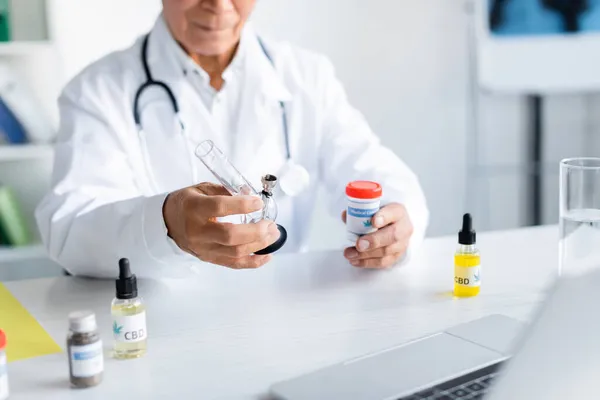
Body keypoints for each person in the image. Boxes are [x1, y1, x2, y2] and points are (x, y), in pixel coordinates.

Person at [35, 0, 429, 278]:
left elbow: (374, 170)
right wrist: (165, 223)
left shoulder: (307, 76)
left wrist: (394, 223)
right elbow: (69, 229)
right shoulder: (97, 92)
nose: (220, 5)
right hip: (160, 325)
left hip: (285, 317)